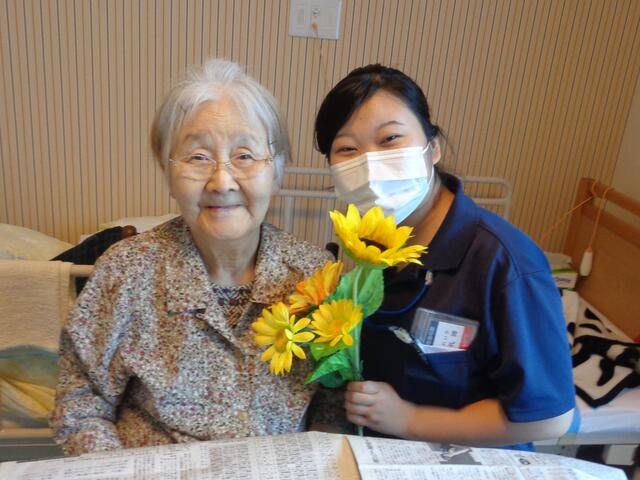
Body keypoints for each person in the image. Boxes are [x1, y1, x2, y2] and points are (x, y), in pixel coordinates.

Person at [51, 58, 331, 456]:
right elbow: (81, 401)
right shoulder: (127, 271)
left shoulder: (315, 277)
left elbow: (333, 406)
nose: (222, 181)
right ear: (167, 173)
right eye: (198, 157)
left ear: (277, 172)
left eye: (245, 156)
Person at [313, 64, 575, 448]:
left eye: (390, 139)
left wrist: (410, 420)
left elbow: (548, 418)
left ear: (432, 147)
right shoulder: (373, 246)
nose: (370, 165)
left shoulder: (504, 261)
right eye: (348, 149)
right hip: (379, 456)